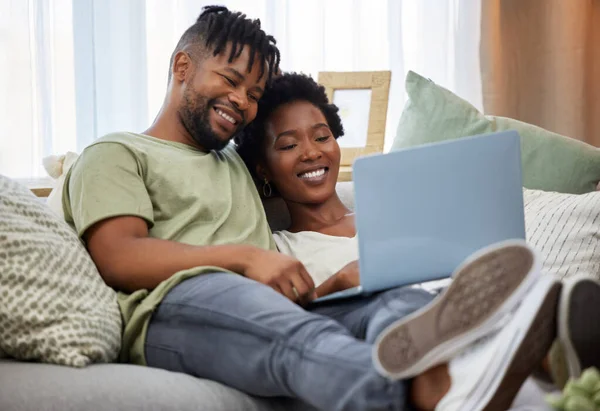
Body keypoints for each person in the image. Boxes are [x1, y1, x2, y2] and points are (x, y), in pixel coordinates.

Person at [60, 6, 592, 411]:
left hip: (271, 300)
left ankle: (527, 362)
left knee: (398, 306)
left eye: (254, 92)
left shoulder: (232, 164)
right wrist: (246, 259)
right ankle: (443, 398)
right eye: (229, 80)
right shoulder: (116, 153)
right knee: (302, 341)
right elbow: (117, 254)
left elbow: (300, 181)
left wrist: (327, 281)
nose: (242, 101)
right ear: (182, 66)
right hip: (174, 307)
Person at [235, 72, 600, 408]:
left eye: (321, 136)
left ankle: (542, 353)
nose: (312, 152)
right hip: (388, 329)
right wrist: (340, 282)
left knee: (530, 287)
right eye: (288, 145)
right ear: (263, 167)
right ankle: (514, 362)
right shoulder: (280, 248)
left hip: (457, 302)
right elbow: (283, 325)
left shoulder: (401, 209)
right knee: (394, 303)